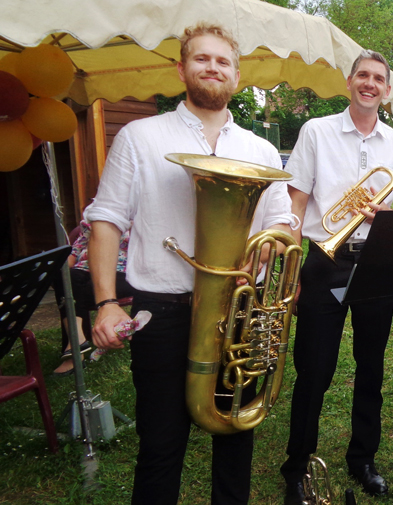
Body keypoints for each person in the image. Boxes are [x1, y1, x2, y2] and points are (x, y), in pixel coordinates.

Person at [86, 23, 295, 505]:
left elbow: (284, 221)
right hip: (164, 310)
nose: (213, 68)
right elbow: (106, 220)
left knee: (236, 435)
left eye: (223, 62)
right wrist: (105, 303)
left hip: (239, 313)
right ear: (181, 69)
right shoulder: (140, 136)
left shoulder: (261, 150)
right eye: (202, 59)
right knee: (160, 446)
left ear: (237, 77)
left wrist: (275, 242)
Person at [280, 50, 393, 503]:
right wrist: (289, 262)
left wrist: (387, 217)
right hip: (326, 259)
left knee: (371, 367)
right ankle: (297, 467)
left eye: (378, 78)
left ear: (386, 89)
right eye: (363, 75)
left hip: (376, 261)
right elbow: (296, 200)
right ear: (349, 82)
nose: (370, 83)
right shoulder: (316, 131)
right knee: (314, 370)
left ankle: (363, 458)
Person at [52, 220, 134, 376]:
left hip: (120, 274)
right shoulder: (89, 225)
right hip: (83, 272)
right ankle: (77, 342)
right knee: (65, 277)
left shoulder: (136, 220)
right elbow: (74, 252)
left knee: (74, 293)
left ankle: (74, 349)